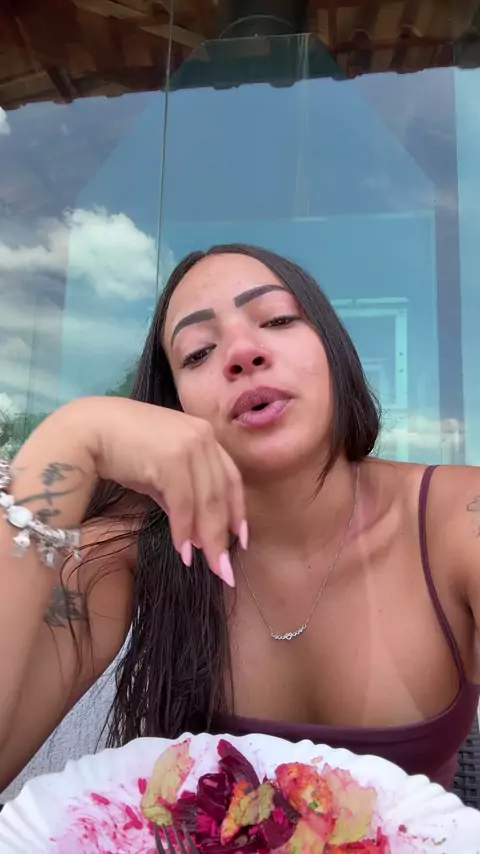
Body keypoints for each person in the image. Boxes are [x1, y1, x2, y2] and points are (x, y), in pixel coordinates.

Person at [0, 244, 479, 796]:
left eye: (277, 320)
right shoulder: (134, 554)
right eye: (199, 352)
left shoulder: (458, 522)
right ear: (174, 409)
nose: (242, 353)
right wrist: (71, 438)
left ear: (333, 348)